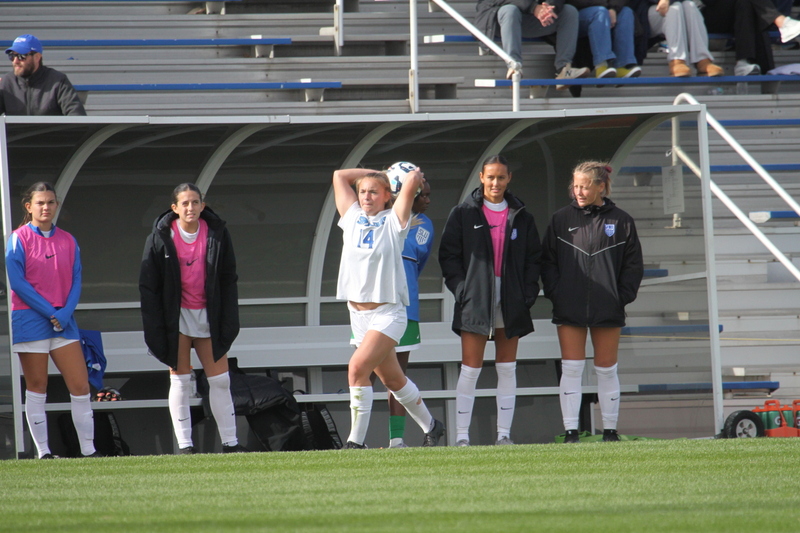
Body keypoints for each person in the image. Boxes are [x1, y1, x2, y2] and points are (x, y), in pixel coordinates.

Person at [333, 167, 445, 449]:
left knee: (357, 368)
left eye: (373, 191)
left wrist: (408, 177)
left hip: (387, 313)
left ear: (387, 196)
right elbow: (339, 175)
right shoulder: (352, 216)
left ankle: (354, 443)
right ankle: (432, 426)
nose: (366, 197)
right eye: (362, 192)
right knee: (395, 380)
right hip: (358, 315)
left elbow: (412, 180)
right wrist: (378, 172)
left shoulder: (394, 220)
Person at [438, 155, 541, 447]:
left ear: (509, 180)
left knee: (506, 367)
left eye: (501, 178)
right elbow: (448, 257)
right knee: (470, 369)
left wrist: (527, 294)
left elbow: (535, 258)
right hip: (475, 299)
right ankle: (461, 438)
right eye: (490, 177)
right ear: (481, 177)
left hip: (512, 299)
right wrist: (463, 292)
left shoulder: (522, 214)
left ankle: (503, 436)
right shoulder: (463, 213)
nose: (495, 183)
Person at [139, 183, 247, 454]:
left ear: (203, 205)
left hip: (208, 316)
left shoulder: (218, 233)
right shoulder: (160, 237)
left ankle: (230, 444)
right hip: (177, 318)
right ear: (174, 208)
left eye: (195, 202)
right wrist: (156, 323)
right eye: (185, 203)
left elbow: (228, 278)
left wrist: (228, 316)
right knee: (180, 380)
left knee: (220, 380)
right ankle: (186, 445)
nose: (190, 208)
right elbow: (149, 285)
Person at [540, 162, 643, 443]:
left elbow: (633, 267)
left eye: (585, 186)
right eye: (575, 186)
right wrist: (557, 293)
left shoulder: (622, 221)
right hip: (569, 305)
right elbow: (547, 262)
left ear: (601, 186)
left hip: (607, 307)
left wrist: (619, 298)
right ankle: (571, 432)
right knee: (571, 368)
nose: (579, 191)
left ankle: (610, 431)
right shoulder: (560, 219)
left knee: (607, 369)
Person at [6, 182, 99, 459]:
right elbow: (18, 283)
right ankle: (44, 453)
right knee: (37, 386)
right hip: (31, 318)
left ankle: (89, 451)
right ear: (29, 207)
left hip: (64, 319)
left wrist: (66, 312)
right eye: (40, 203)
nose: (46, 207)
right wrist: (51, 312)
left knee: (80, 386)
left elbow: (77, 278)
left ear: (56, 205)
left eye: (50, 202)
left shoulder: (69, 240)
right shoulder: (18, 238)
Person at [383, 178, 434, 449]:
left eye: (428, 195)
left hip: (405, 306)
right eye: (422, 195)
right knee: (363, 372)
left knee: (397, 375)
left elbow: (414, 258)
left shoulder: (423, 225)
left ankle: (397, 439)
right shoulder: (376, 216)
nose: (427, 200)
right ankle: (355, 440)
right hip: (371, 306)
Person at [475, 0, 590, 89]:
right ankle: (514, 66)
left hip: (531, 19)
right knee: (510, 10)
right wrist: (534, 7)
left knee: (569, 11)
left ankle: (564, 69)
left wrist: (549, 8)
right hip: (500, 20)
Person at [702, 0, 800, 76]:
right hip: (704, 16)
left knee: (745, 3)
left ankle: (743, 61)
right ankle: (781, 22)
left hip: (736, 12)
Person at [0, 34, 86, 116]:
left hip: (49, 132)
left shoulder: (57, 81)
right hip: (16, 132)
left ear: (37, 57)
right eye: (12, 56)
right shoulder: (6, 83)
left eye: (21, 56)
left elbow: (77, 117)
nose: (15, 61)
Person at [566, 0, 643, 79]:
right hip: (576, 13)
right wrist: (607, 6)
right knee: (600, 12)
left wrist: (613, 9)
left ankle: (622, 65)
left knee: (626, 12)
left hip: (606, 8)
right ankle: (601, 66)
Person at [647, 0, 723, 76]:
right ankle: (676, 60)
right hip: (646, 13)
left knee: (689, 5)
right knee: (674, 8)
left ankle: (702, 60)